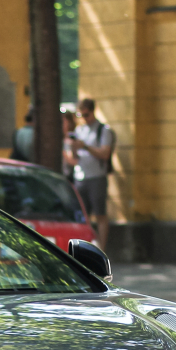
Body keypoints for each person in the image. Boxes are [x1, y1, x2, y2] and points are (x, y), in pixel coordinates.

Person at [68, 98, 115, 250]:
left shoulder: (103, 130)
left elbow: (104, 153)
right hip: (80, 177)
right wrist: (74, 148)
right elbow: (75, 157)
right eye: (80, 115)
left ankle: (101, 249)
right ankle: (84, 248)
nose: (83, 118)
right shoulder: (79, 130)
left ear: (92, 112)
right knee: (83, 217)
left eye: (86, 115)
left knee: (100, 215)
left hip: (97, 177)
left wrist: (86, 147)